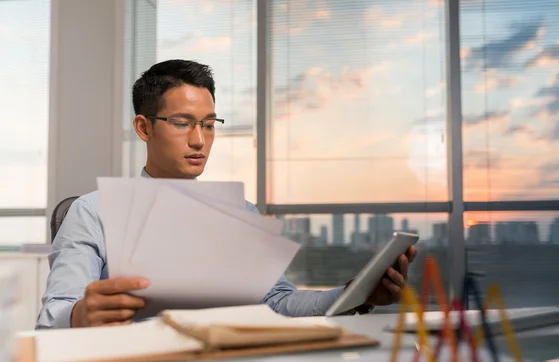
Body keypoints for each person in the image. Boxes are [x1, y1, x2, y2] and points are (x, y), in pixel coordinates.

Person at [36, 60, 417, 329]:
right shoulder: (92, 212)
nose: (199, 140)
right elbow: (55, 314)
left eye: (208, 124)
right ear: (143, 127)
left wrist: (352, 296)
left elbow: (277, 302)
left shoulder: (240, 212)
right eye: (182, 123)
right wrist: (81, 315)